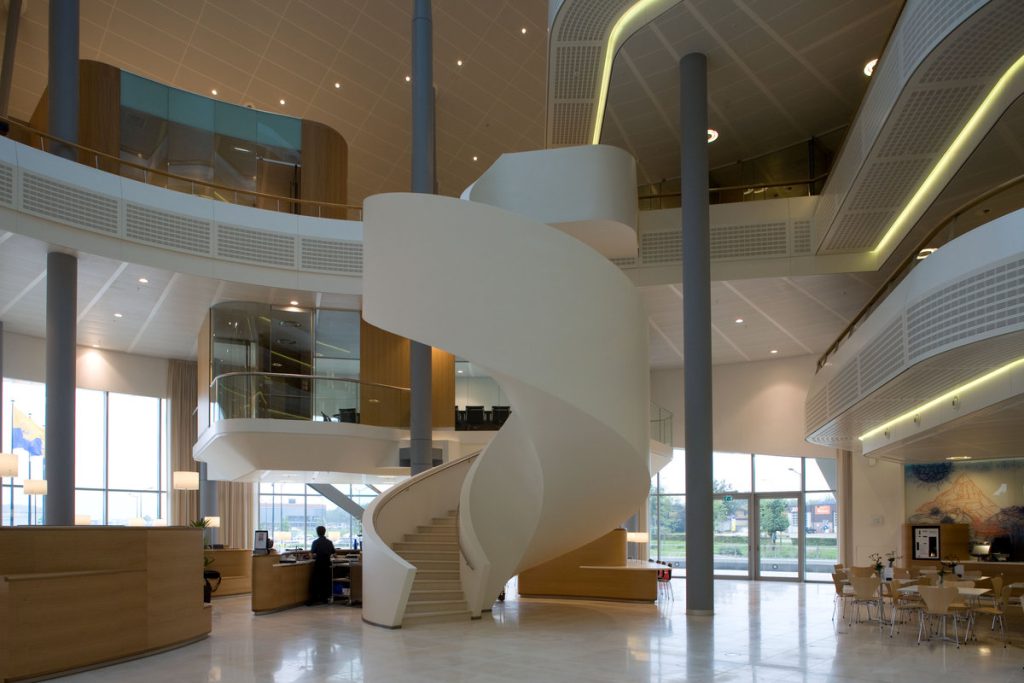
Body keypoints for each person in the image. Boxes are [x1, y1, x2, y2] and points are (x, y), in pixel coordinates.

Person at [307, 526, 335, 604]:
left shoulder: (316, 542)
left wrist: (312, 556)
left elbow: (312, 553)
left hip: (319, 564)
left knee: (315, 581)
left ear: (317, 532)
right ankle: (325, 598)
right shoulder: (329, 542)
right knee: (326, 581)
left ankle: (315, 598)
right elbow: (333, 552)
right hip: (327, 564)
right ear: (324, 532)